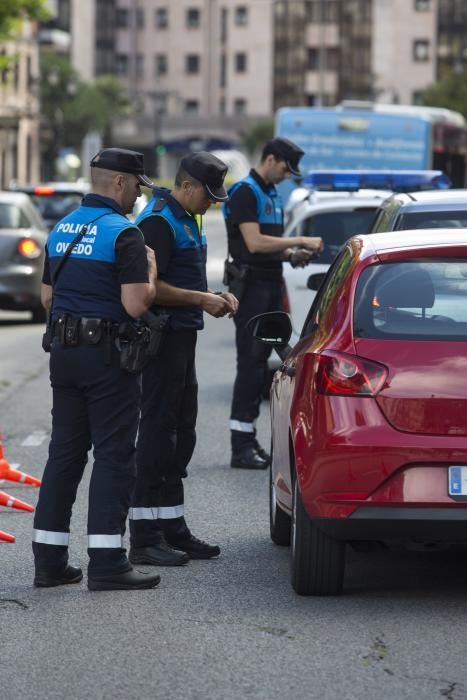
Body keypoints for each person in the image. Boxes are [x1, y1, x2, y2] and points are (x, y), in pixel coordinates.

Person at [32, 148, 161, 591]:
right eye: (136, 189)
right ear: (120, 183)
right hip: (107, 358)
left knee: (65, 453)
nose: (137, 199)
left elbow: (47, 299)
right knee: (113, 454)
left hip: (63, 354)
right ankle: (107, 563)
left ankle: (48, 562)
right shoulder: (125, 235)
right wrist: (150, 269)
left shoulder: (62, 227)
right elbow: (135, 304)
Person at [128, 151, 238, 566]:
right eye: (207, 195)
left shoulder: (187, 217)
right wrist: (202, 299)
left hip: (182, 339)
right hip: (160, 341)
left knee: (180, 434)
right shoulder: (158, 220)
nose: (211, 202)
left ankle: (172, 526)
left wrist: (217, 295)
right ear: (186, 185)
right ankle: (143, 537)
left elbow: (185, 276)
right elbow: (149, 289)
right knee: (157, 436)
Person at [223, 137, 324, 469]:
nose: (286, 174)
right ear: (270, 158)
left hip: (269, 284)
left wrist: (291, 255)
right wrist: (299, 239)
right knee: (251, 365)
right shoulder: (244, 191)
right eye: (285, 167)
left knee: (269, 363)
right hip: (250, 288)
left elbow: (269, 246)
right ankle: (241, 444)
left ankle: (250, 439)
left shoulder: (270, 194)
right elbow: (253, 242)